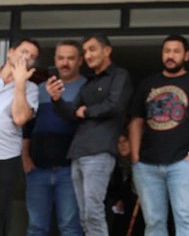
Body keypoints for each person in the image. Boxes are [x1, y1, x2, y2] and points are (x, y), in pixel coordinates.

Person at [128, 34, 189, 236]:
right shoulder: (148, 83)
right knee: (153, 221)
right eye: (167, 51)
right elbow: (136, 122)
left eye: (176, 51)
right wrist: (135, 156)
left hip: (183, 162)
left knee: (186, 217)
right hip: (147, 164)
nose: (171, 55)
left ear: (186, 55)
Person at [48, 33, 133, 236]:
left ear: (107, 50)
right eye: (85, 51)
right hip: (78, 152)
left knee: (94, 211)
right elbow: (71, 115)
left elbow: (116, 104)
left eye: (92, 49)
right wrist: (57, 99)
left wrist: (87, 111)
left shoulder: (119, 75)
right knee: (85, 214)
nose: (87, 55)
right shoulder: (88, 84)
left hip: (100, 150)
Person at [22, 40, 86, 236]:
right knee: (36, 227)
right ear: (55, 60)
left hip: (70, 170)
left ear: (80, 61)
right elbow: (28, 127)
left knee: (70, 227)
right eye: (61, 58)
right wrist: (25, 157)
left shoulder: (88, 88)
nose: (65, 62)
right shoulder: (39, 89)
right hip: (37, 169)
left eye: (70, 58)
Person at [0, 38, 40, 236]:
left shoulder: (30, 89)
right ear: (10, 52)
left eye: (32, 57)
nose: (27, 58)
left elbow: (20, 118)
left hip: (6, 158)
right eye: (24, 52)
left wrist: (20, 83)